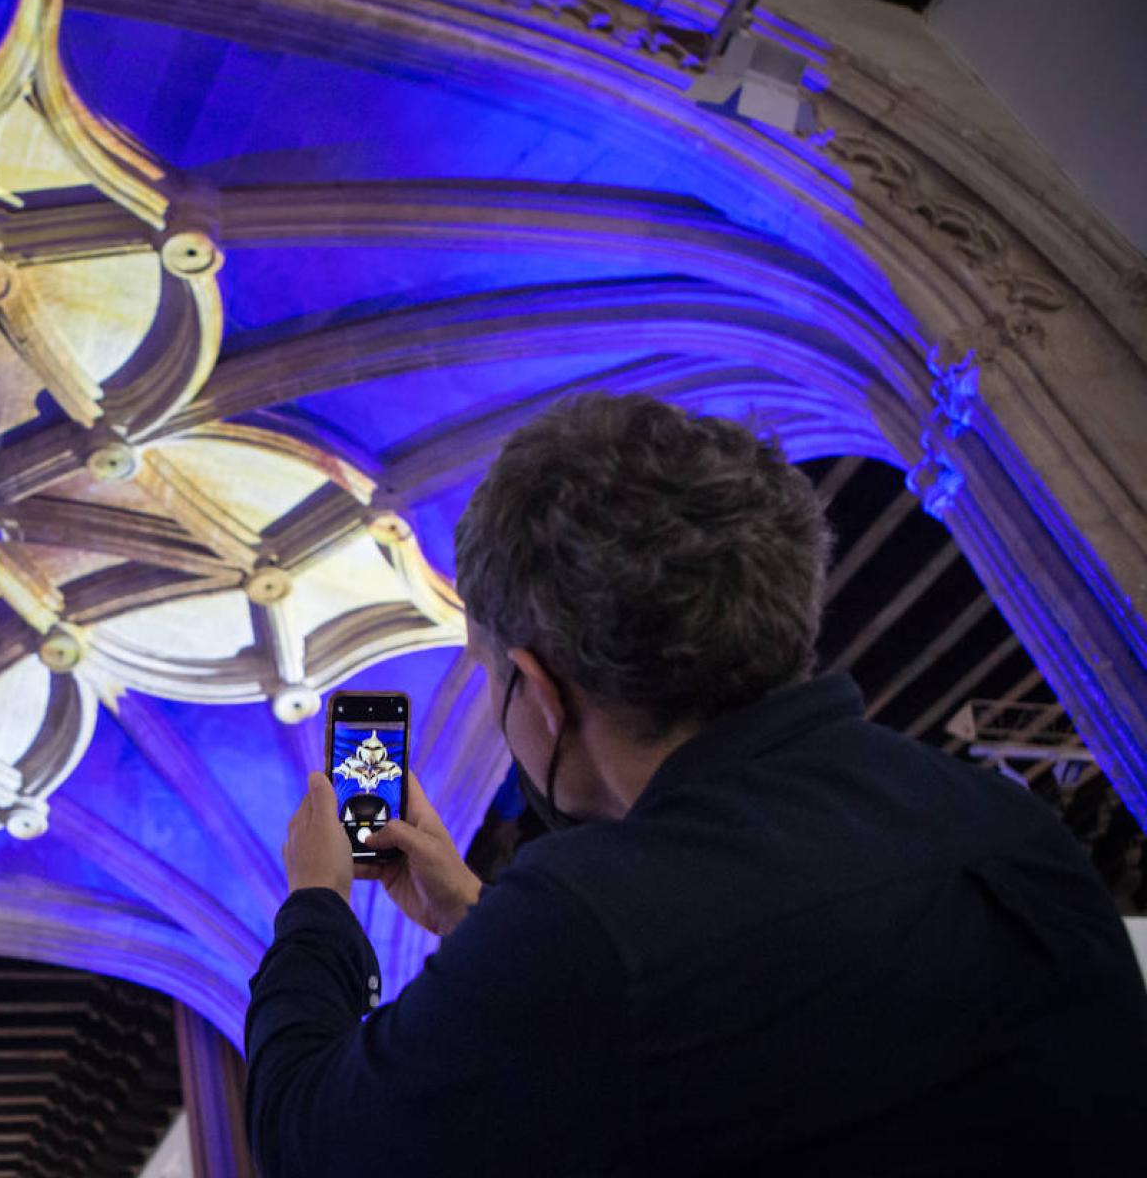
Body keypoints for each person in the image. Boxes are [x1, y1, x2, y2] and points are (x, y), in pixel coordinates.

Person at [245, 393, 1147, 1177]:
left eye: (492, 676)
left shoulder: (586, 923)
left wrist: (316, 904)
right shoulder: (998, 821)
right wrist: (468, 917)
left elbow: (309, 1143)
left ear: (543, 691)